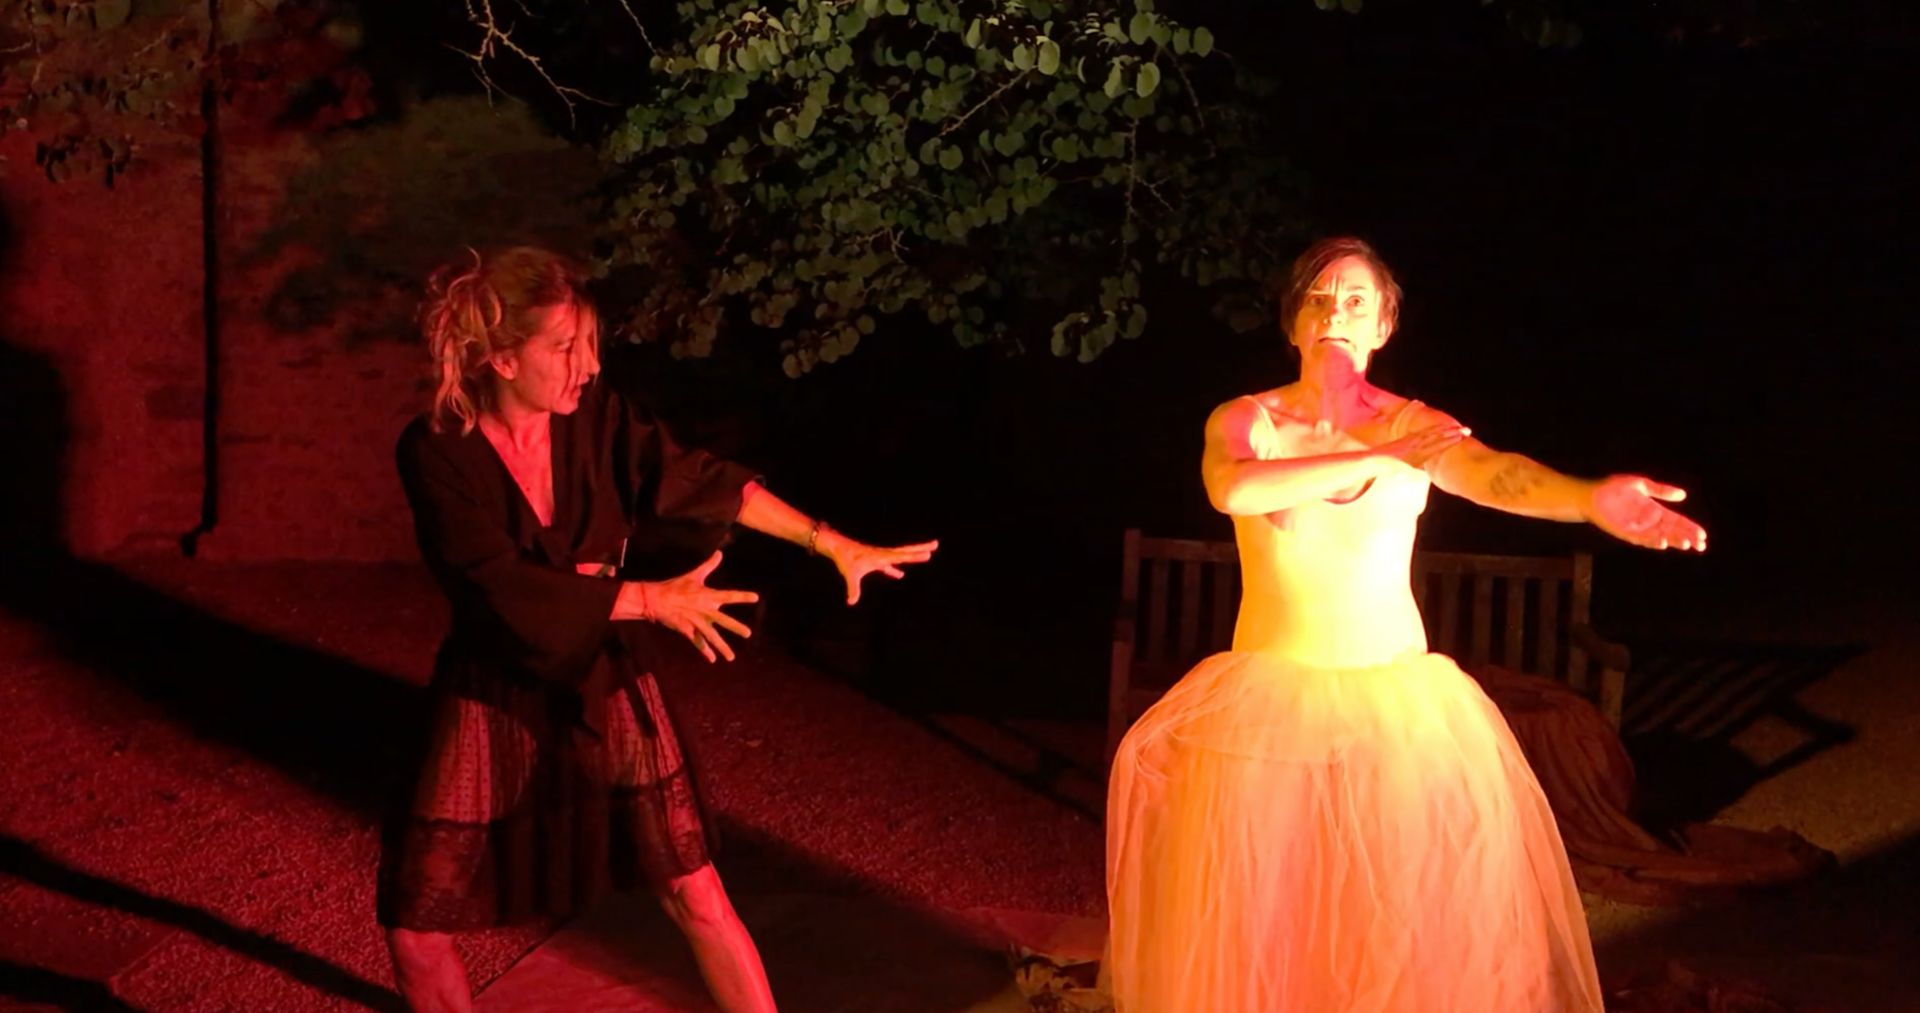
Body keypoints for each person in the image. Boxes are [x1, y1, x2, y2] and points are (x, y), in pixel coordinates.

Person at [1102, 237, 1706, 1013]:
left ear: (1383, 326)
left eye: (1356, 301)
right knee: (1273, 921)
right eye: (1319, 298)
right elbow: (1235, 489)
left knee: (1393, 925)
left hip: (1395, 709)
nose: (1336, 312)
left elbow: (1494, 475)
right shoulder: (1249, 418)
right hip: (1270, 705)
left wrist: (1586, 499)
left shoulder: (1416, 426)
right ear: (1294, 321)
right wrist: (1381, 459)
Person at [380, 247, 937, 1013]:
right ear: (502, 360)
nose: (587, 366)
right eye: (564, 348)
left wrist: (827, 540)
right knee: (417, 924)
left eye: (590, 345)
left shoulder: (598, 419)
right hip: (494, 676)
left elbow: (700, 478)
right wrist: (645, 599)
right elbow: (496, 585)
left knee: (693, 885)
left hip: (599, 665)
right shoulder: (436, 451)